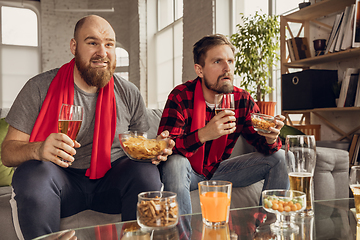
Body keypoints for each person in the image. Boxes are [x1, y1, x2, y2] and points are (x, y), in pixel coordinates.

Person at [1, 15, 174, 240]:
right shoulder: (38, 88)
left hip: (111, 181)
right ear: (74, 46)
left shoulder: (128, 92)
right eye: (92, 43)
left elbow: (141, 148)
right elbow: (7, 153)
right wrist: (38, 149)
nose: (102, 52)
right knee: (33, 174)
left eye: (109, 44)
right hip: (59, 182)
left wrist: (156, 149)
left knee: (146, 174)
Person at [157, 34, 289, 215]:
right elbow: (165, 148)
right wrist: (203, 134)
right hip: (187, 174)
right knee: (175, 163)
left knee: (280, 157)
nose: (227, 68)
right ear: (199, 70)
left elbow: (264, 147)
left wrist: (270, 138)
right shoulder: (180, 96)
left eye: (230, 61)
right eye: (217, 62)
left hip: (220, 171)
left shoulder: (242, 99)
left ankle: (267, 231)